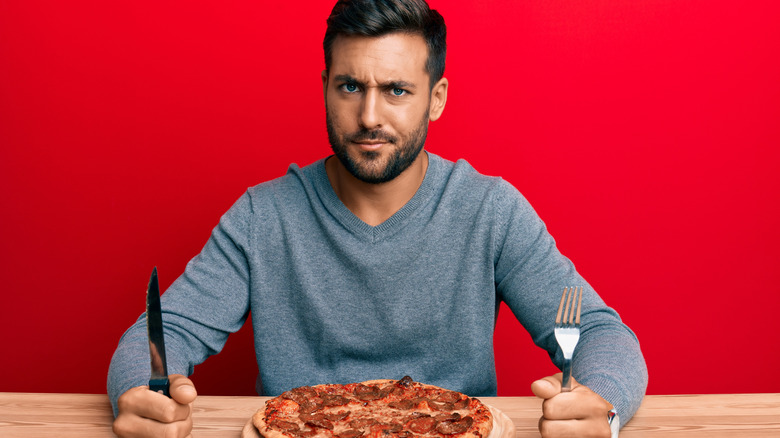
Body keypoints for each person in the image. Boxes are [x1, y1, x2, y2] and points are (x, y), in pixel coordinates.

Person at [108, 1, 648, 437]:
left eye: (396, 91)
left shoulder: (490, 210)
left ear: (435, 99)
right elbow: (164, 331)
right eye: (350, 87)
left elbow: (599, 333)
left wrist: (600, 405)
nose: (369, 117)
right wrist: (144, 391)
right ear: (324, 87)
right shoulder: (262, 215)